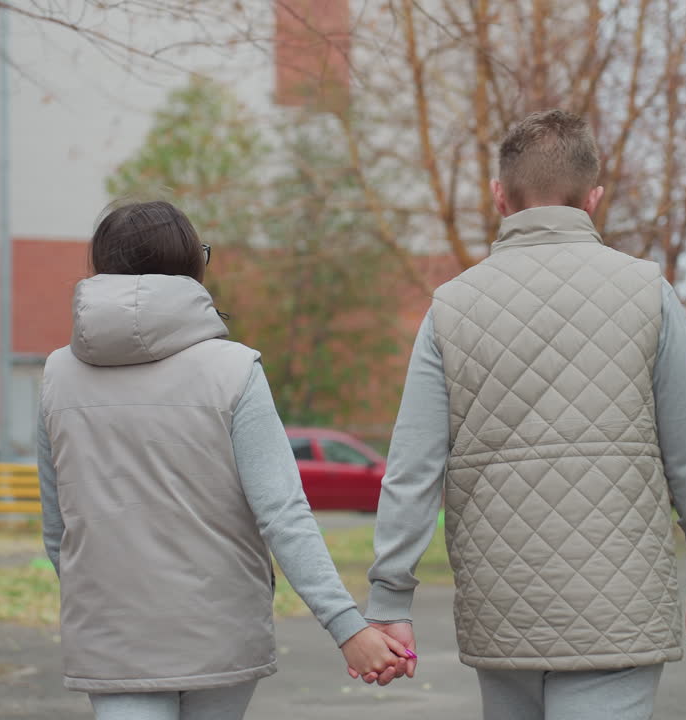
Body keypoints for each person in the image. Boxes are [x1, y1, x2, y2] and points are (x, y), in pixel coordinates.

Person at [361, 110, 686, 719]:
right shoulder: (648, 293)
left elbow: (412, 469)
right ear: (593, 198)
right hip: (618, 606)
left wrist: (389, 601)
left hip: (502, 607)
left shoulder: (451, 307)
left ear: (499, 196)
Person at [36, 200, 408, 720]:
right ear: (194, 266)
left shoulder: (57, 375)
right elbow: (283, 513)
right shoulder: (235, 370)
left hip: (111, 632)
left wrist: (106, 606)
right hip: (221, 628)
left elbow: (58, 529)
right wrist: (348, 628)